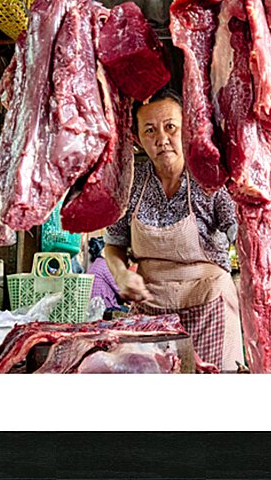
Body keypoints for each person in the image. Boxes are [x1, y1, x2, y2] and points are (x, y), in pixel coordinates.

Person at [103, 87, 243, 371]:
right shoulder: (131, 183)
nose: (162, 139)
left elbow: (240, 233)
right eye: (150, 131)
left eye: (170, 127)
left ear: (187, 130)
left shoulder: (209, 177)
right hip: (150, 308)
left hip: (210, 306)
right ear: (138, 138)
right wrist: (120, 275)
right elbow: (113, 244)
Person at [85, 236, 126, 312]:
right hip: (104, 308)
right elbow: (122, 290)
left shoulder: (97, 263)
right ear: (104, 251)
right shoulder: (106, 265)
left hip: (93, 307)